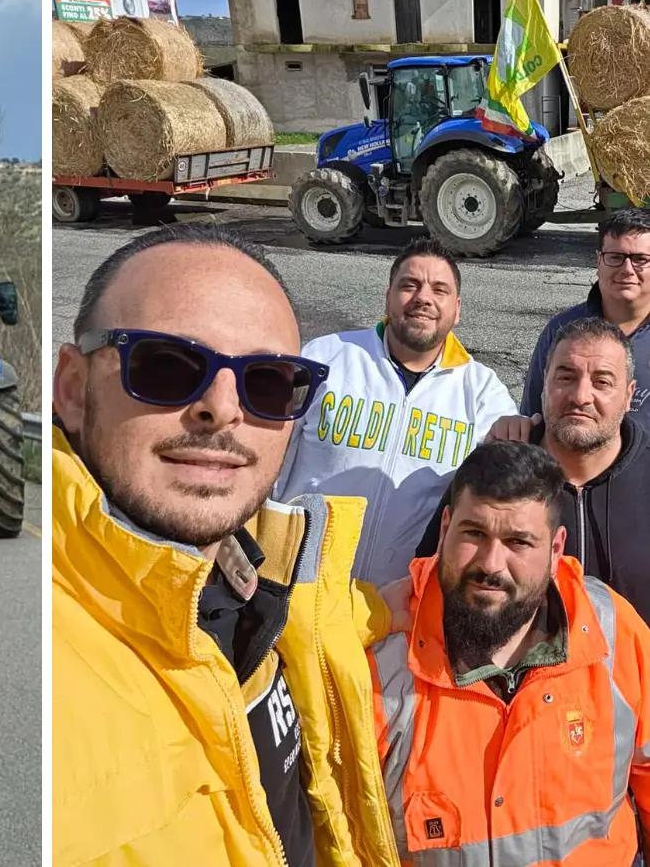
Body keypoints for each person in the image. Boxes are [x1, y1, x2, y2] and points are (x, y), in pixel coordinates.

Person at [52, 222, 409, 867]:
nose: (223, 408)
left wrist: (396, 603)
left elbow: (323, 618)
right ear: (74, 390)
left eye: (268, 381)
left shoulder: (263, 575)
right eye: (165, 367)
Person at [370, 440, 650, 865]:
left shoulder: (613, 631)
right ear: (444, 529)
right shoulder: (383, 661)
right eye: (474, 533)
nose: (491, 564)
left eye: (519, 542)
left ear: (556, 550)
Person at [274, 236, 516, 587]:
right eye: (409, 285)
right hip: (297, 589)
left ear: (457, 309)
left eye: (439, 289)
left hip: (402, 605)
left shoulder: (482, 392)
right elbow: (266, 459)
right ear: (388, 296)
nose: (423, 298)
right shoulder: (326, 358)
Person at [423, 316, 650, 625]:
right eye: (566, 377)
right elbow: (427, 580)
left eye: (602, 381)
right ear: (544, 382)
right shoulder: (494, 467)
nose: (581, 396)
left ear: (628, 395)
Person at [522, 207, 650, 430]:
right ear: (598, 262)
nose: (627, 269)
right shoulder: (562, 330)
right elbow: (533, 418)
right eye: (615, 257)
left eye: (640, 259)